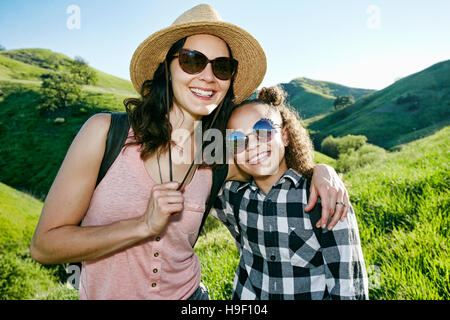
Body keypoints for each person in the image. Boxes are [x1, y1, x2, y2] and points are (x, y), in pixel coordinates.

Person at [30, 4, 351, 300]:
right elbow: (45, 246)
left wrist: (321, 171)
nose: (208, 76)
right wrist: (142, 225)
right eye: (192, 60)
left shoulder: (220, 153)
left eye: (222, 67)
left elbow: (273, 158)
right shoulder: (104, 134)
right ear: (166, 69)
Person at [212, 86, 369, 299]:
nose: (253, 145)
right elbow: (192, 164)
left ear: (285, 135)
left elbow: (349, 288)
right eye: (238, 141)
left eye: (264, 130)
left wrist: (323, 170)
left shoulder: (324, 199)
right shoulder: (233, 197)